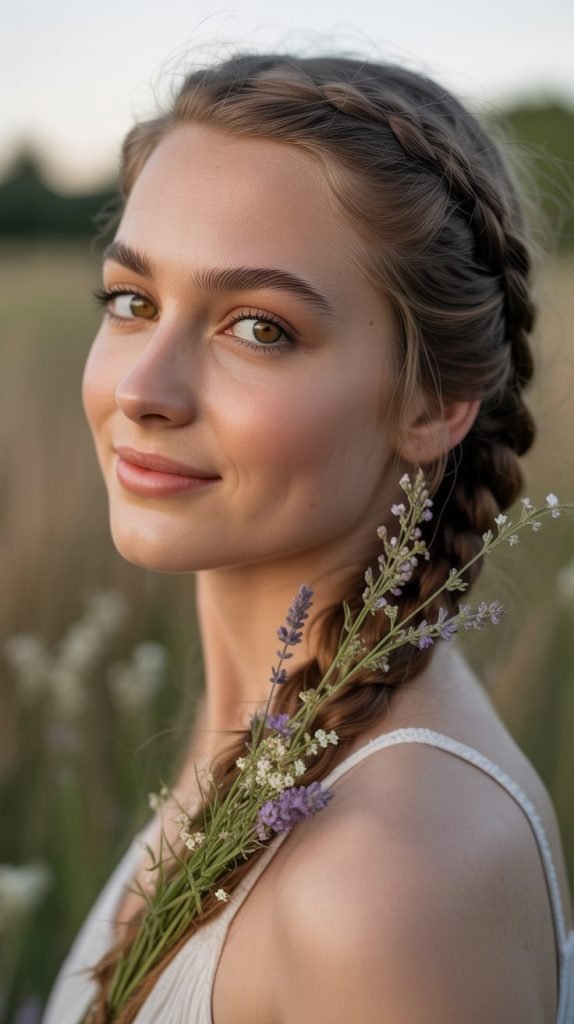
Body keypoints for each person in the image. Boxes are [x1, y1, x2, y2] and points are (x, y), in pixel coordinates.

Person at [42, 52, 574, 1023]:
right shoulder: (265, 745)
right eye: (132, 302)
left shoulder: (381, 889)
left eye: (259, 328)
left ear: (435, 402)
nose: (141, 392)